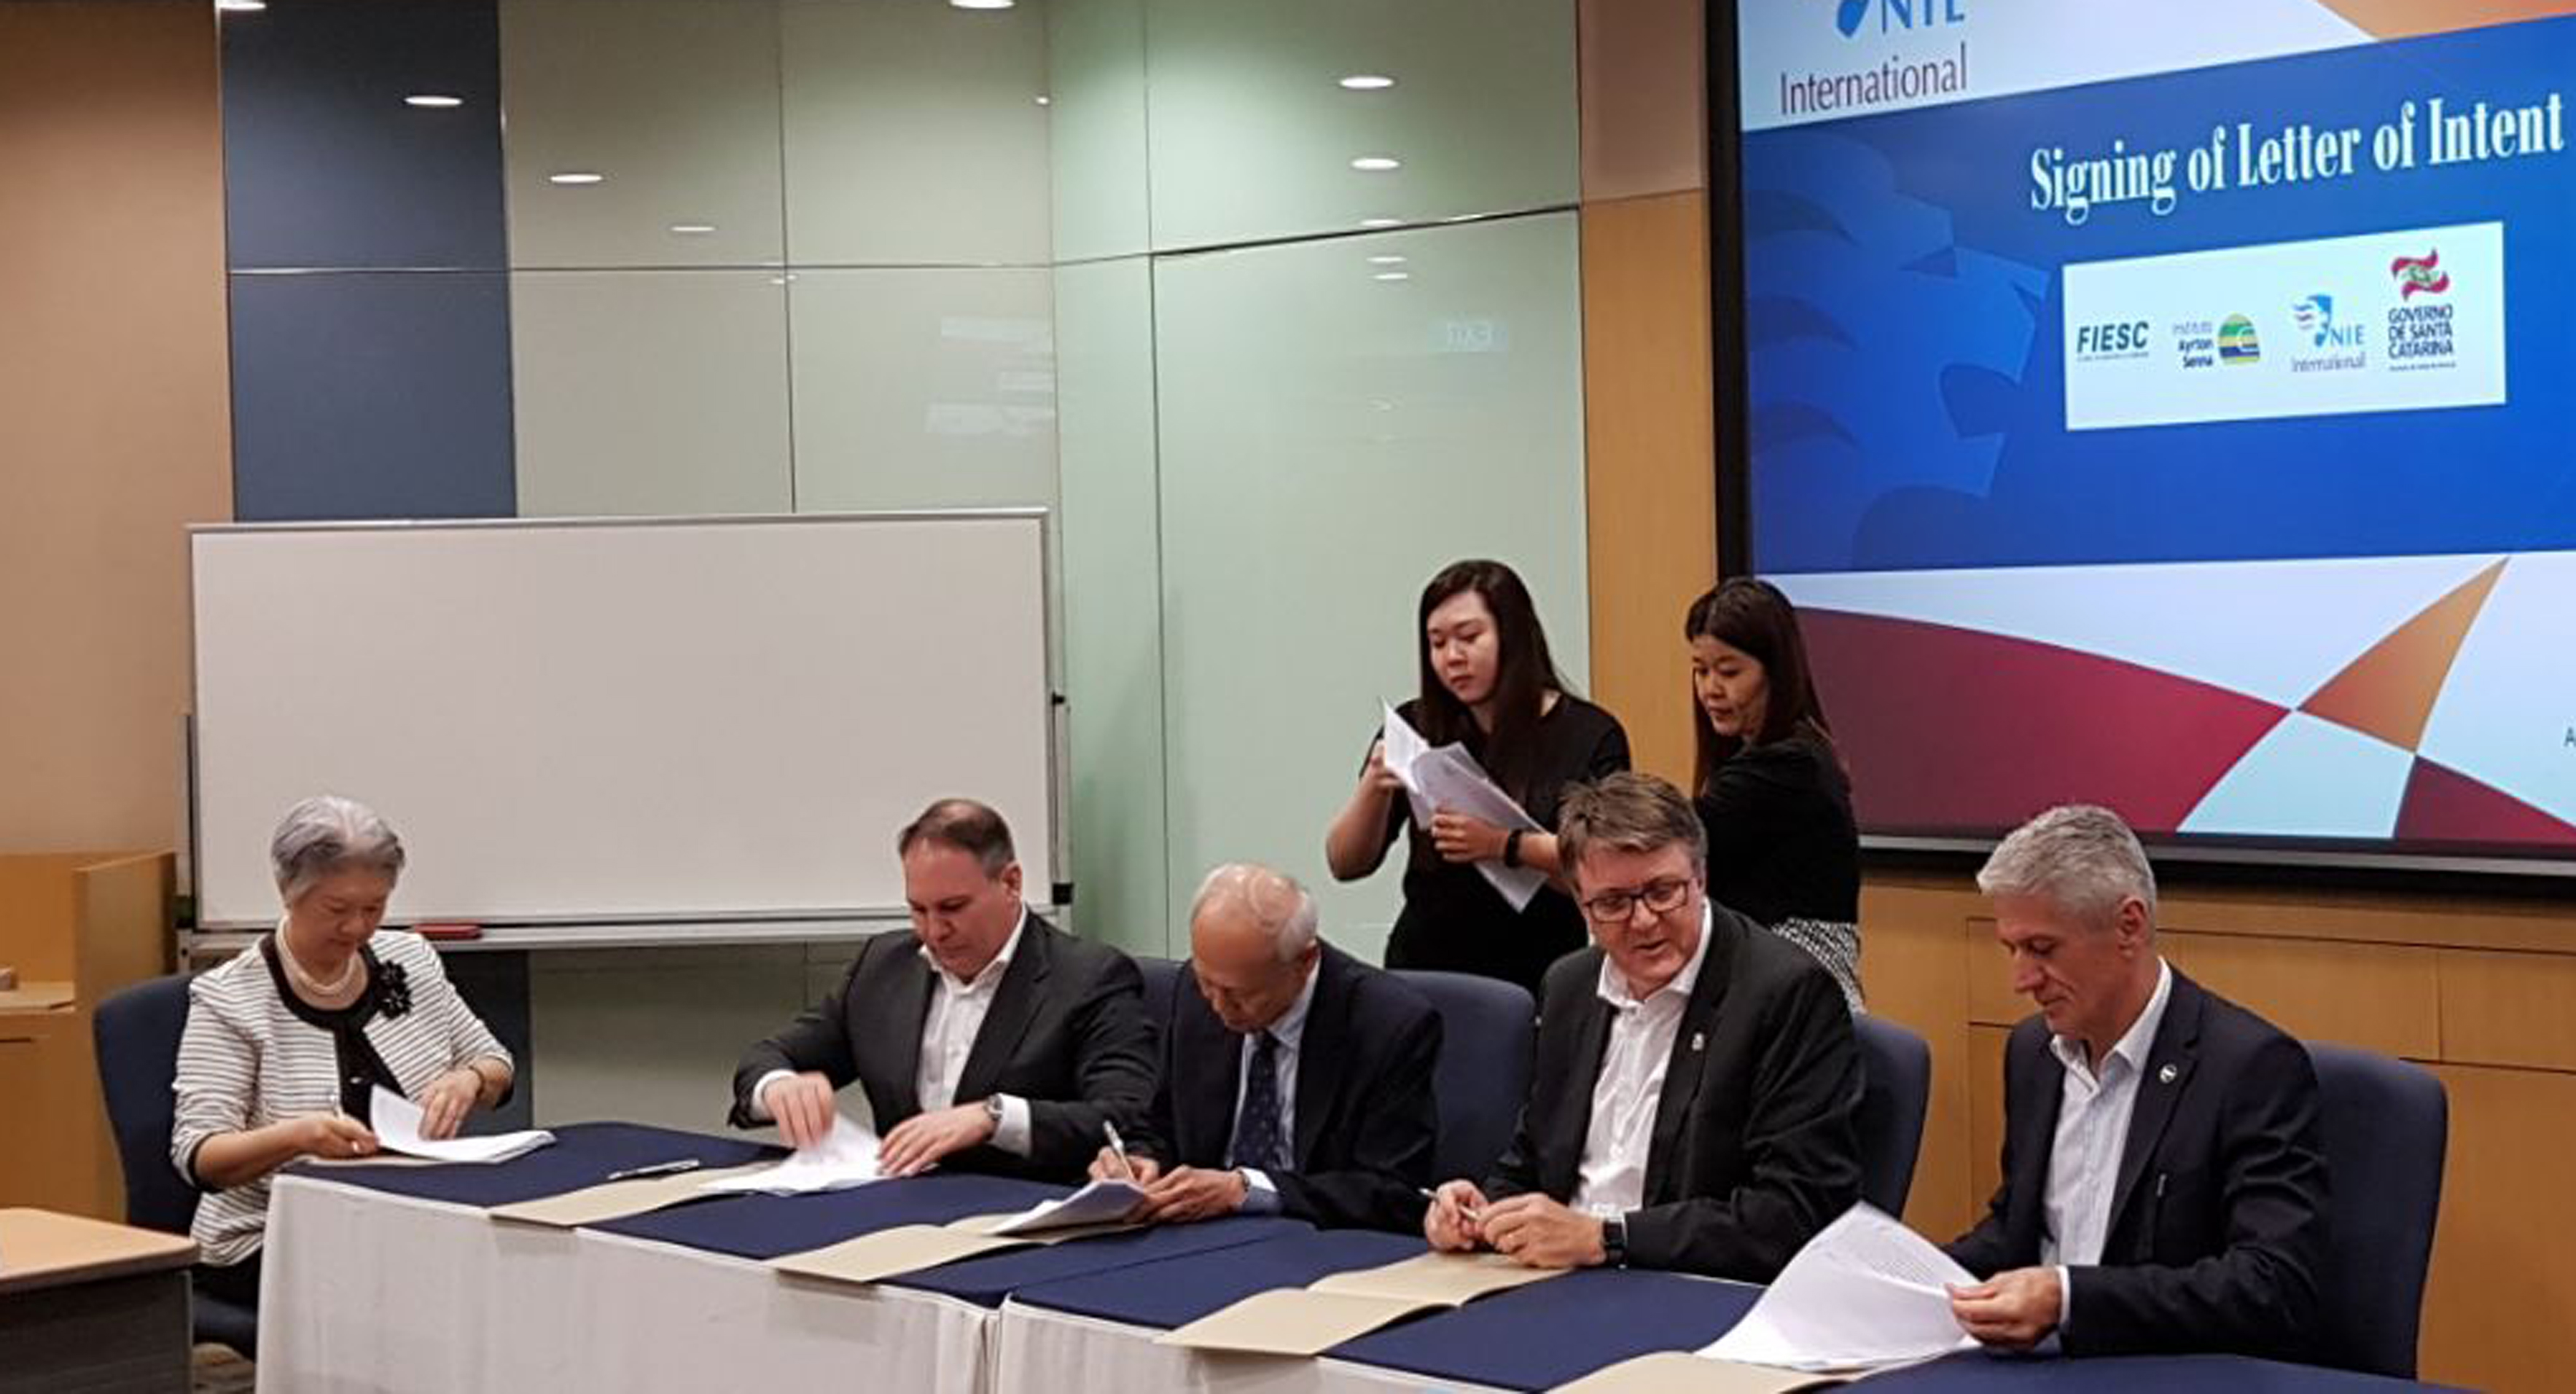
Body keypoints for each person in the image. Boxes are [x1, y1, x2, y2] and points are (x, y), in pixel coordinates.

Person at [1423, 772, 1861, 1280]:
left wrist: (1607, 1238)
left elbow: (1794, 1212)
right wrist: (1483, 1210)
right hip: (1556, 1278)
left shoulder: (1785, 993)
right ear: (1582, 904)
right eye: (1613, 903)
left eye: (1663, 891)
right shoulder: (1570, 986)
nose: (1645, 920)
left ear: (1701, 878)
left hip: (1686, 1284)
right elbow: (1535, 1159)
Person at [1943, 804, 2330, 1360]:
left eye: (2042, 949)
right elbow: (2018, 1228)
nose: (2021, 980)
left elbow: (2272, 1285)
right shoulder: (2033, 1054)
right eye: (2012, 950)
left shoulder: (2249, 1067)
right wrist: (1914, 1277)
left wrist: (2069, 1298)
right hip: (2039, 1367)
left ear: (2130, 926)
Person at [172, 795, 516, 1306]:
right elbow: (199, 1155)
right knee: (432, 1294)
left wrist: (471, 1079)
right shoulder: (232, 998)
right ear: (289, 892)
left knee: (507, 1268)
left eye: (374, 908)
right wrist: (298, 1137)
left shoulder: (411, 960)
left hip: (413, 1217)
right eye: (336, 909)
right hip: (272, 1240)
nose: (357, 927)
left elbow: (496, 1062)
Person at [731, 798, 1153, 1183]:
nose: (934, 931)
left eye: (953, 908)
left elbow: (1126, 1116)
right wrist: (779, 1087)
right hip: (899, 1210)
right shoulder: (883, 966)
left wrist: (995, 1117)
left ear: (1011, 883)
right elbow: (769, 1057)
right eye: (918, 910)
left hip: (1019, 1214)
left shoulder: (1089, 978)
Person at [1326, 559, 1631, 995]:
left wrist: (1504, 844)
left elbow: (1605, 864)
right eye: (1437, 643)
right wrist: (1373, 789)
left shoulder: (1588, 733)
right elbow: (1345, 863)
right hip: (1424, 969)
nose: (1453, 657)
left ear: (1513, 635)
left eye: (1469, 638)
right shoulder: (1417, 725)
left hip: (1540, 974)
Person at [1091, 864, 1440, 1232]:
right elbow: (1158, 1126)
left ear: (1304, 962)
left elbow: (1393, 1191)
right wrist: (1138, 1159)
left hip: (1319, 1240)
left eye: (1241, 994)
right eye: (1206, 981)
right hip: (1200, 1234)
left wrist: (1248, 1190)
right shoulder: (1195, 994)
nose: (1218, 1006)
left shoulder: (1387, 1024)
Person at [1683, 577, 1863, 1011]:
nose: (1710, 689)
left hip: (1799, 995)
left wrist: (1521, 845)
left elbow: (1672, 841)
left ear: (1775, 672)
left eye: (1729, 672)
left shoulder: (1790, 765)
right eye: (1701, 670)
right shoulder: (1764, 756)